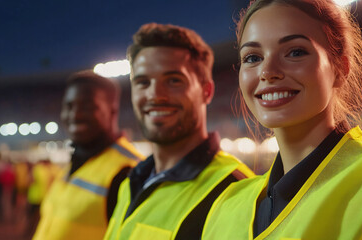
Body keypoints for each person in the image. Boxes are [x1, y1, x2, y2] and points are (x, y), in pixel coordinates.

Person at [202, 0, 362, 240]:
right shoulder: (225, 205)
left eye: (295, 52)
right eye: (252, 57)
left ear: (340, 68)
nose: (267, 71)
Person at [104, 23, 255, 240]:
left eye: (174, 80)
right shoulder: (130, 183)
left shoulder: (234, 190)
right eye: (143, 82)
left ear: (206, 91)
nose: (155, 95)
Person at [33, 71, 144, 240]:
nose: (75, 115)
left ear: (113, 111)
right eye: (69, 106)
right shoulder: (74, 164)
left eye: (87, 107)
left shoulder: (128, 172)